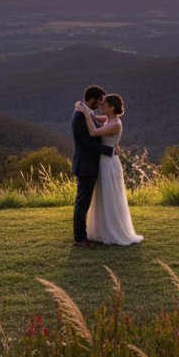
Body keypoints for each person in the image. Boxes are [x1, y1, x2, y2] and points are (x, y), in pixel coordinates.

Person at [74, 93, 143, 246]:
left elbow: (93, 132)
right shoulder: (108, 119)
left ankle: (114, 232)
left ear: (112, 107)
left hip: (110, 162)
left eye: (104, 104)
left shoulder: (116, 123)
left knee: (111, 196)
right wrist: (83, 107)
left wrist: (84, 112)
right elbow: (93, 116)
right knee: (103, 196)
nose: (101, 105)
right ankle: (103, 230)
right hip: (103, 161)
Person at [71, 86, 115, 248]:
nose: (100, 103)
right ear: (93, 99)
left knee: (83, 202)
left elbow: (98, 121)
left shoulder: (86, 113)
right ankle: (80, 238)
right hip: (86, 165)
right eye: (100, 100)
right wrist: (110, 150)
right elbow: (90, 144)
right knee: (82, 203)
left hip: (86, 164)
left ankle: (81, 236)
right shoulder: (81, 117)